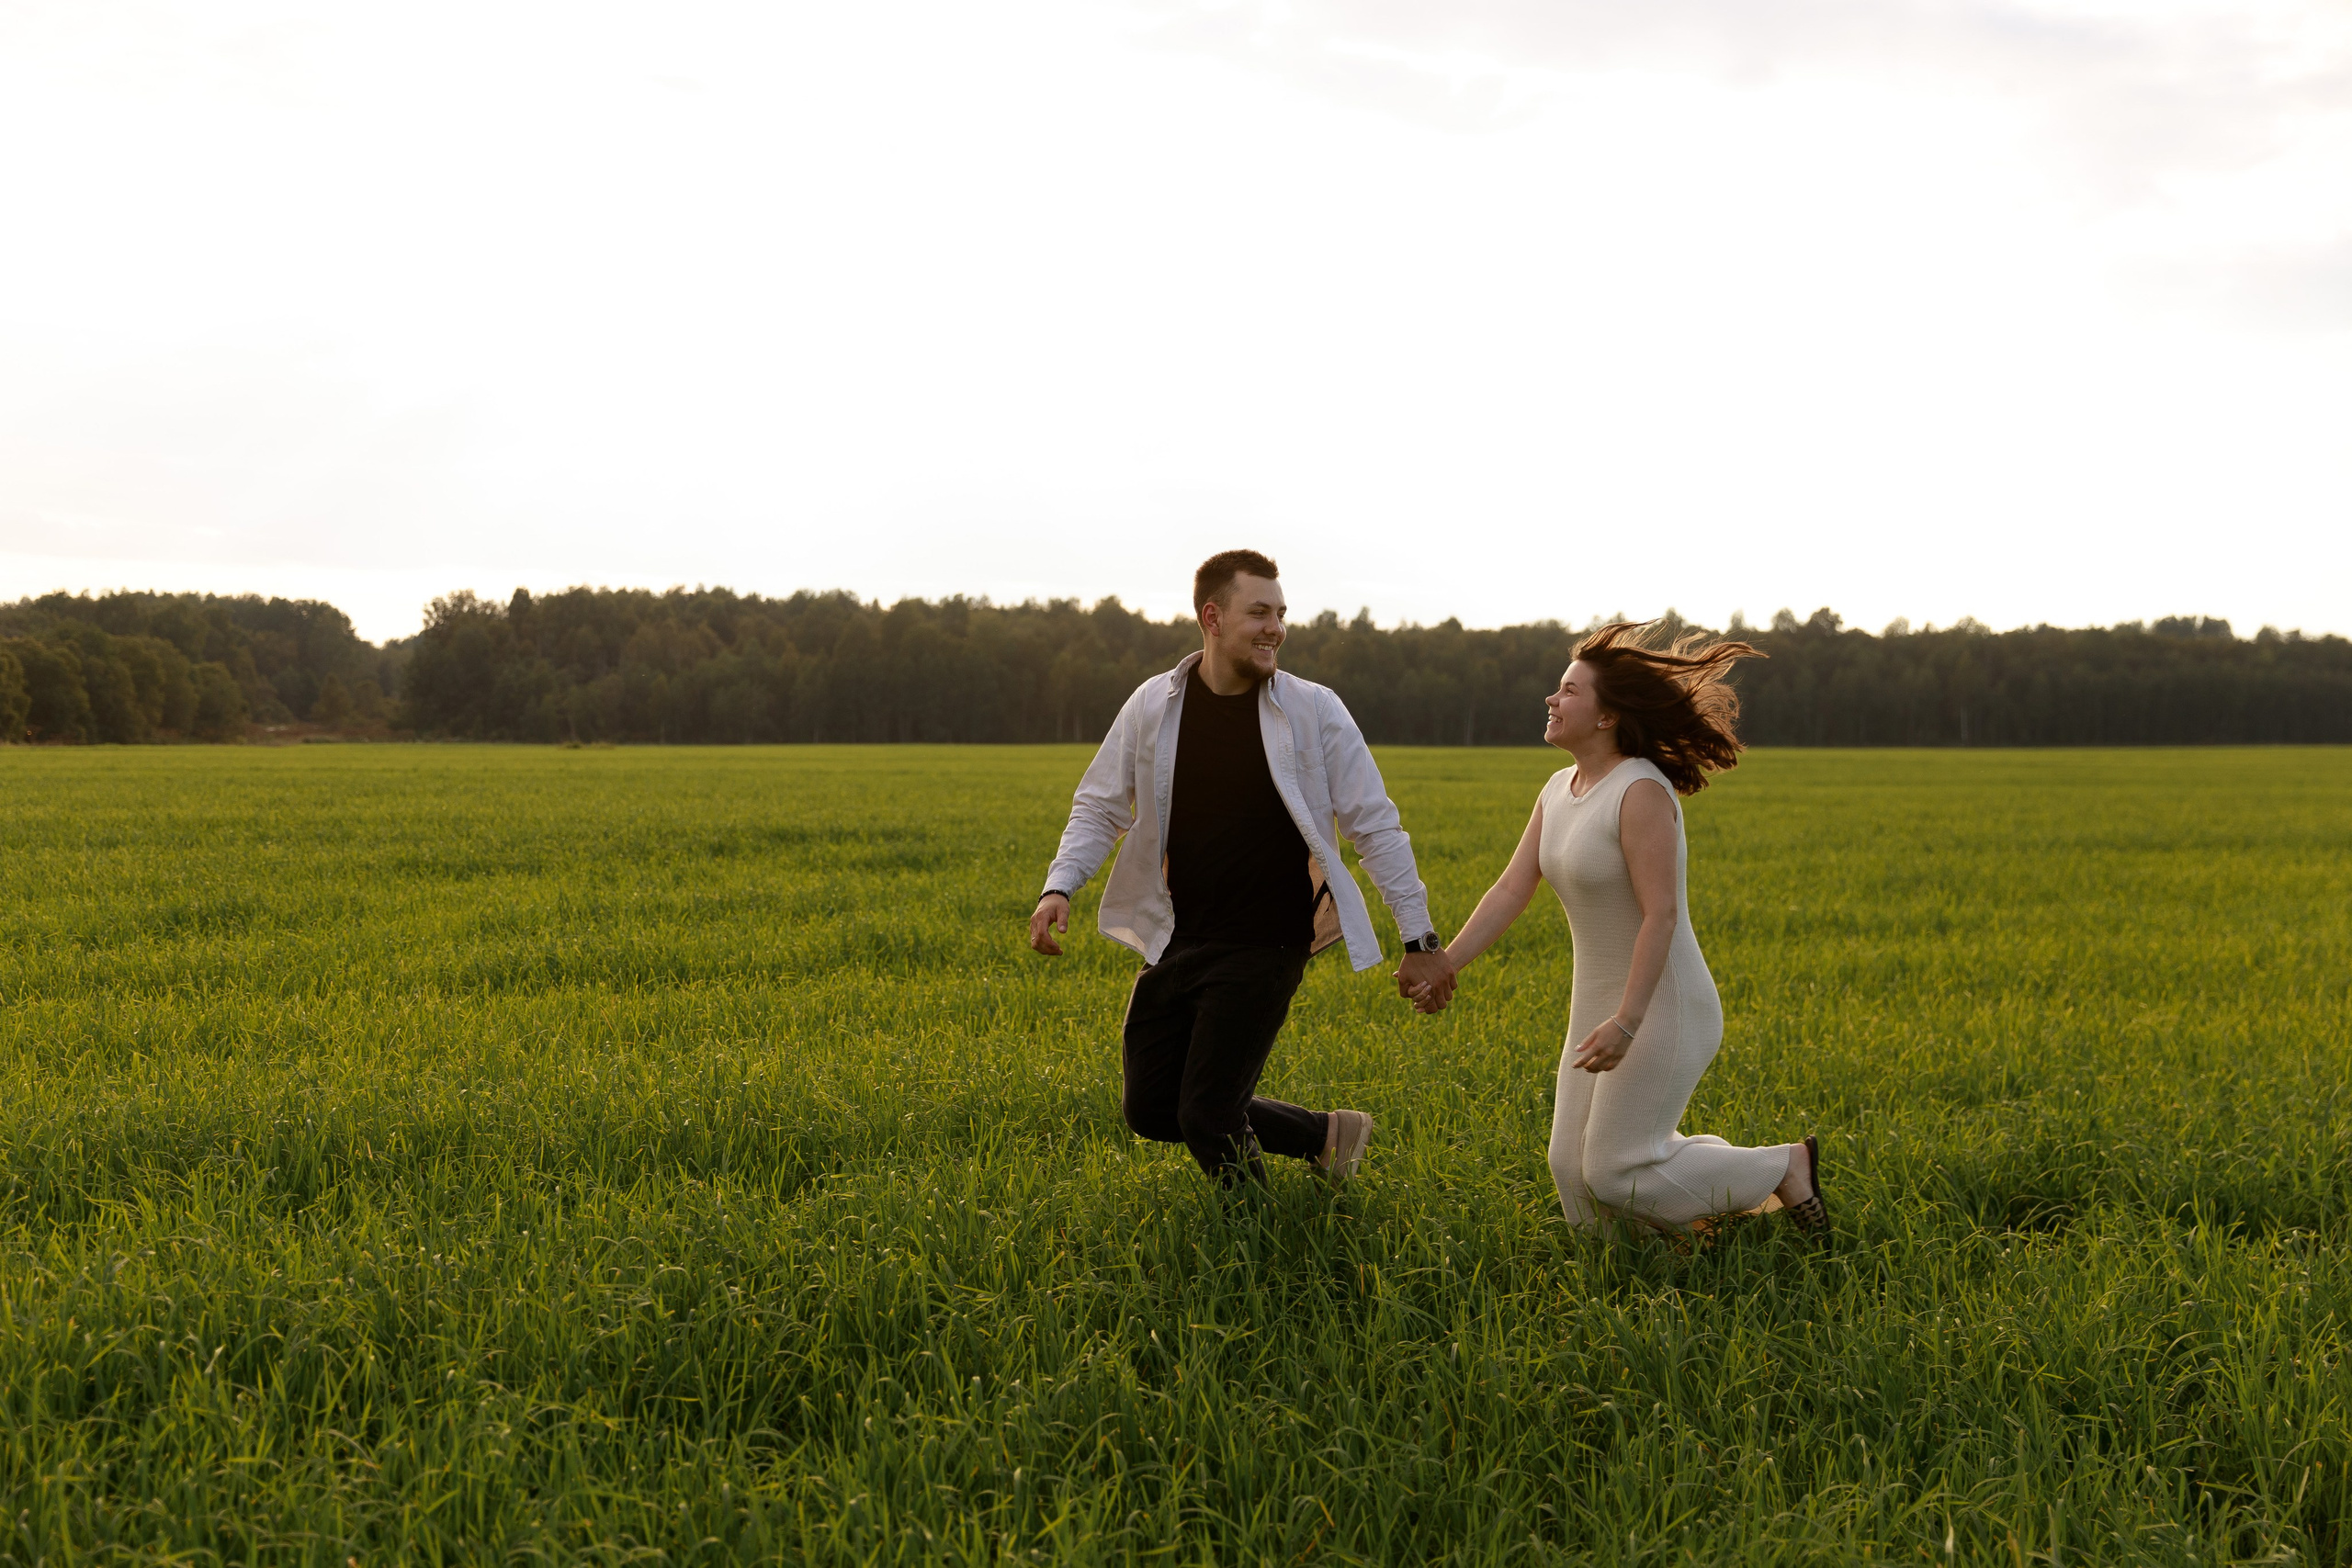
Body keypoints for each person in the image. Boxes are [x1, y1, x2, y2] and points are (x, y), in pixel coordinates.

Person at [1029, 549, 1453, 1187]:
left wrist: (1418, 939)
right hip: (1177, 933)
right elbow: (1099, 805)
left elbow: (1377, 828)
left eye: (1281, 614)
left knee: (1206, 1111)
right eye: (1259, 612)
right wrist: (1059, 886)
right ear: (1212, 617)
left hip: (1268, 939)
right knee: (1150, 1107)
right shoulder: (1153, 706)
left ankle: (1258, 1244)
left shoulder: (1314, 711)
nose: (1275, 628)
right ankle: (1325, 1134)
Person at [1407, 621, 1830, 1239]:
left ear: (1608, 717)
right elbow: (1510, 889)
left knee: (1611, 1173)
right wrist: (1446, 962)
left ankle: (1783, 1165)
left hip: (1663, 1006)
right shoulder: (1558, 790)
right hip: (1598, 1006)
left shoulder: (1640, 792)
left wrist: (1630, 1020)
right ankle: (1665, 1264)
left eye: (1569, 690)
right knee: (1572, 1176)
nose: (1552, 699)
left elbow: (1661, 914)